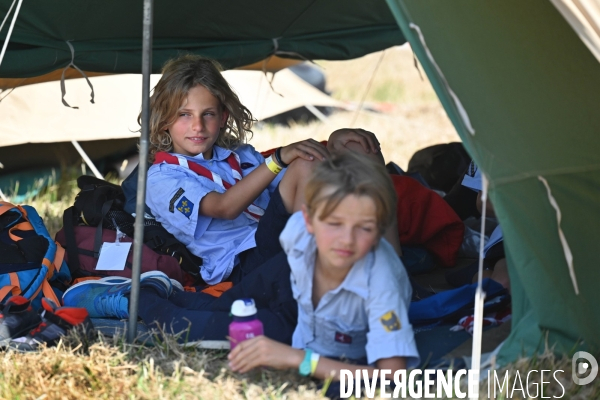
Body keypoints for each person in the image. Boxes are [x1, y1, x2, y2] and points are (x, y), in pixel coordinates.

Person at [63, 153, 419, 383]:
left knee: (181, 325)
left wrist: (299, 360)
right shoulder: (299, 234)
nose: (346, 240)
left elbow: (390, 382)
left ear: (381, 229)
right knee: (221, 301)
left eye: (365, 228)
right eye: (334, 224)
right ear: (308, 219)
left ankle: (133, 300)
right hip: (287, 275)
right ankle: (157, 288)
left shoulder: (380, 283)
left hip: (296, 329)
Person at [123, 54, 386, 285]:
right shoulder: (161, 177)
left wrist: (335, 142)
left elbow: (295, 182)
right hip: (243, 262)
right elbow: (224, 207)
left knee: (356, 147)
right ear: (165, 119)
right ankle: (323, 274)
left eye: (208, 114)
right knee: (305, 162)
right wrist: (279, 159)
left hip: (276, 235)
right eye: (184, 115)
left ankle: (392, 272)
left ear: (223, 116)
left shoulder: (238, 156)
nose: (197, 126)